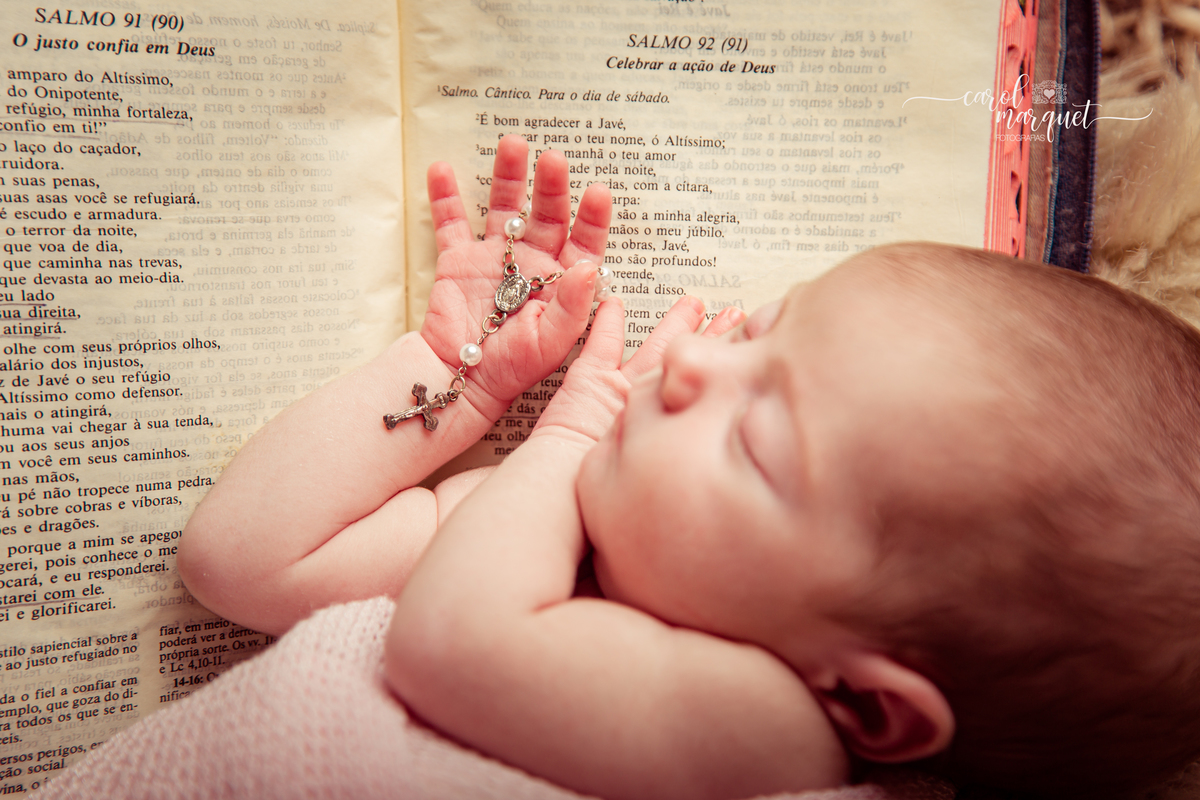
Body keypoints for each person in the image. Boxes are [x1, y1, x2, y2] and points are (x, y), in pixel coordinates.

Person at [179, 135, 1200, 800]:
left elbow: (447, 643)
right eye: (761, 329)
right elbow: (242, 557)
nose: (696, 361)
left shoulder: (770, 735)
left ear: (867, 703)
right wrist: (458, 373)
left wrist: (569, 431)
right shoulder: (545, 538)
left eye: (755, 441)